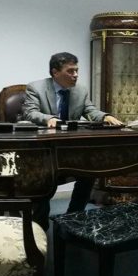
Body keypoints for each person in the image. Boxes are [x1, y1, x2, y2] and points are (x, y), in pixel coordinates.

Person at [22, 52, 122, 230]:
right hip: (45, 151)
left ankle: (73, 218)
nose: (75, 75)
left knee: (90, 171)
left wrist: (105, 116)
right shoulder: (35, 88)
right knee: (44, 179)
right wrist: (48, 118)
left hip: (70, 149)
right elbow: (30, 113)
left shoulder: (80, 90)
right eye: (70, 71)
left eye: (76, 71)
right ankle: (40, 225)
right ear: (55, 72)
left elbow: (90, 110)